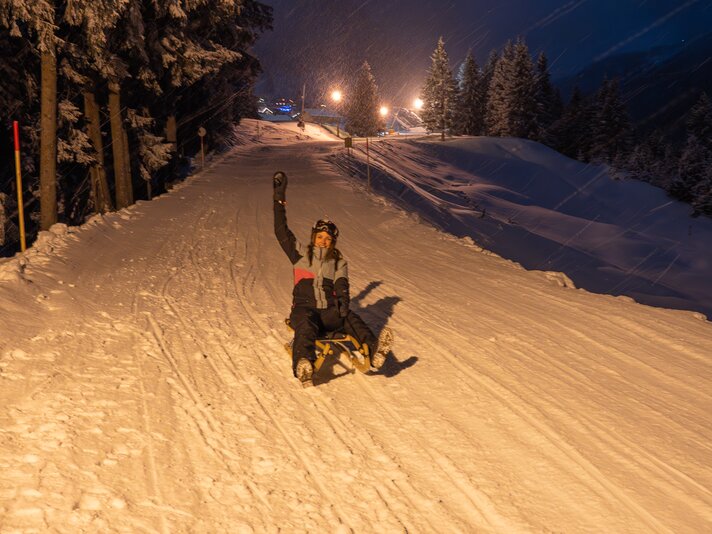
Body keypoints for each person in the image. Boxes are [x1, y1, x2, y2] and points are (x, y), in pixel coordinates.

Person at [272, 171, 392, 384]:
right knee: (306, 324)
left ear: (333, 242)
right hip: (304, 310)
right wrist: (279, 198)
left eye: (328, 239)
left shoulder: (338, 262)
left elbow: (341, 284)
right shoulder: (300, 254)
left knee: (349, 317)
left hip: (327, 313)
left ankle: (373, 351)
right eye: (320, 237)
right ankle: (303, 363)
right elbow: (281, 230)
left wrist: (343, 304)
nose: (323, 241)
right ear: (313, 237)